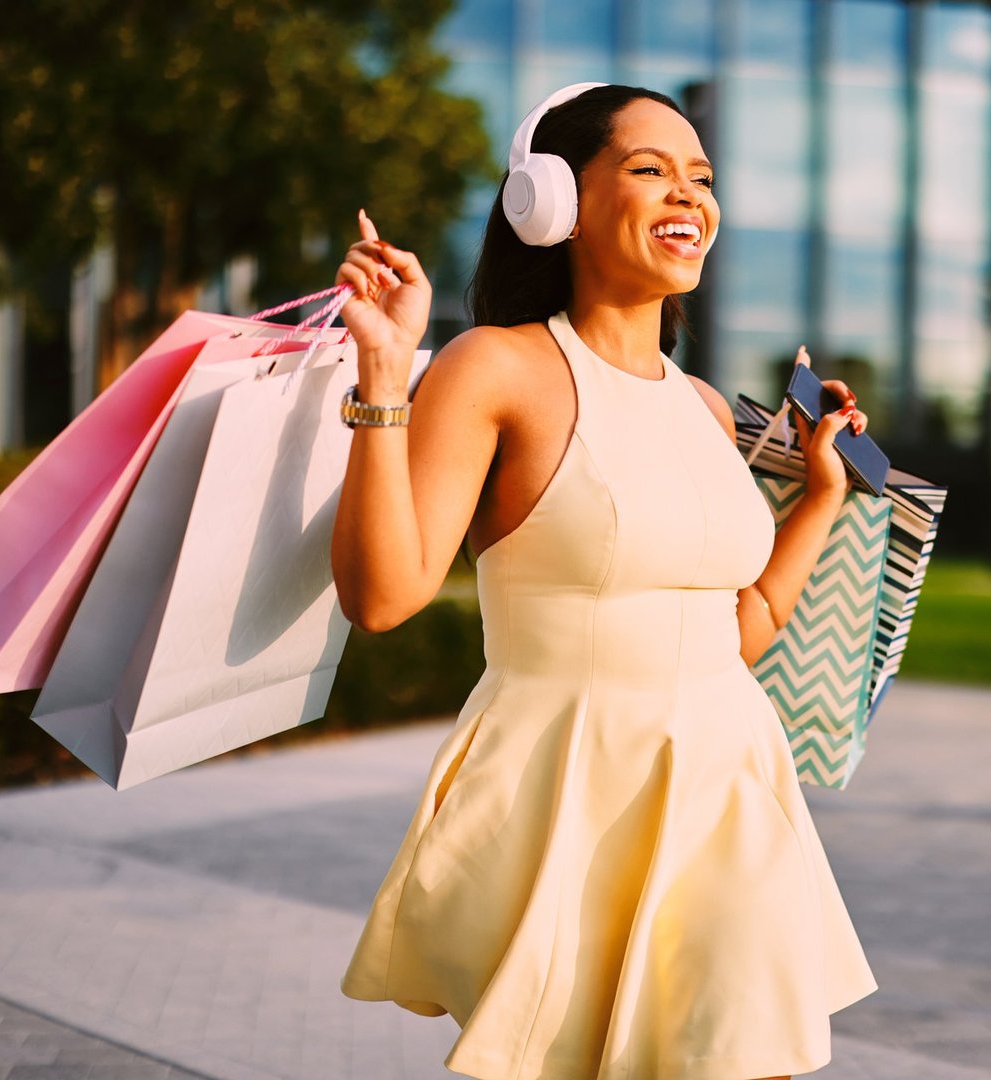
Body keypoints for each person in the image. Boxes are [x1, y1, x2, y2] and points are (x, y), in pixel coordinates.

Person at [328, 82, 877, 1079]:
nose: (689, 196)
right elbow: (383, 597)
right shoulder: (492, 368)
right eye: (651, 169)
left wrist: (822, 498)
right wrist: (382, 377)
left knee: (748, 1059)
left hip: (727, 791)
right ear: (555, 200)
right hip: (572, 792)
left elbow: (738, 629)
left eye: (702, 178)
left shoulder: (709, 409)